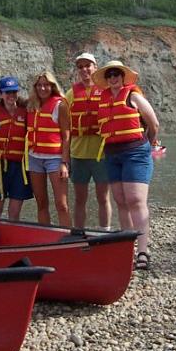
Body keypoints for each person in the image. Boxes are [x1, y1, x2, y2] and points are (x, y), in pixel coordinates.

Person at [92, 60, 160, 270]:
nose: (113, 78)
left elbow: (153, 123)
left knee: (136, 200)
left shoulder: (133, 95)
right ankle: (127, 247)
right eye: (110, 75)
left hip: (135, 151)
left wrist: (149, 143)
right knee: (120, 200)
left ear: (123, 77)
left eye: (117, 74)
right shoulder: (102, 99)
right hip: (112, 154)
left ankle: (142, 251)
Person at [65, 52, 112, 230]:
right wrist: (65, 157)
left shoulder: (107, 91)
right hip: (78, 155)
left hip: (102, 154)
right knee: (79, 199)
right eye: (80, 67)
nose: (84, 69)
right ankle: (78, 233)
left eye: (88, 65)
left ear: (95, 67)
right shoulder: (71, 94)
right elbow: (64, 124)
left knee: (103, 197)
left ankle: (105, 232)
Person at [0, 76, 33, 220]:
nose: (11, 95)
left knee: (15, 212)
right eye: (7, 92)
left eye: (14, 92)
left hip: (20, 167)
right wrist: (0, 156)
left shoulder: (26, 111)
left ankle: (12, 236)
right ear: (1, 94)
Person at [25, 71, 72, 226]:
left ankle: (67, 236)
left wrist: (64, 163)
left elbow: (66, 136)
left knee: (61, 204)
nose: (43, 88)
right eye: (39, 85)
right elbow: (11, 103)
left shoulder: (60, 105)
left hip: (55, 159)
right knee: (41, 203)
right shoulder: (31, 104)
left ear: (52, 86)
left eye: (46, 85)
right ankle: (46, 235)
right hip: (34, 158)